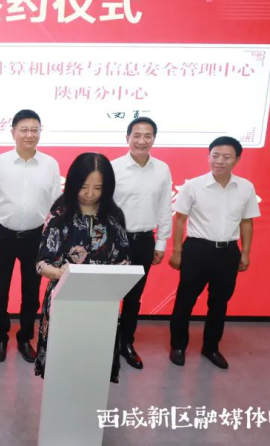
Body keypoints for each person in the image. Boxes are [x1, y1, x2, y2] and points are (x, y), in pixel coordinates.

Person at [34, 153, 131, 380]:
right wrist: (60, 273)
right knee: (62, 368)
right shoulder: (60, 215)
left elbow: (124, 259)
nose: (90, 194)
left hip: (102, 302)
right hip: (64, 299)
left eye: (97, 188)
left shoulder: (114, 217)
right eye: (84, 187)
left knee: (94, 369)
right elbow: (41, 263)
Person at [0, 109, 63, 363]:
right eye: (24, 130)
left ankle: (25, 337)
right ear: (13, 132)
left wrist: (55, 238)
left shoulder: (50, 164)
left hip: (36, 237)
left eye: (34, 130)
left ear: (40, 132)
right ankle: (0, 337)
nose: (29, 135)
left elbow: (56, 204)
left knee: (31, 291)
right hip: (3, 234)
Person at [168, 136, 260, 370]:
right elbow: (180, 220)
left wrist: (245, 253)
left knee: (219, 304)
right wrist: (177, 251)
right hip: (197, 250)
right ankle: (178, 346)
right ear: (208, 157)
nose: (220, 161)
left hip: (228, 252)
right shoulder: (193, 185)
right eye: (215, 155)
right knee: (185, 301)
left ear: (237, 159)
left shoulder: (246, 187)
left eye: (227, 157)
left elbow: (247, 222)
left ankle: (211, 347)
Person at [112, 117, 172, 370]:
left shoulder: (162, 169)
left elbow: (165, 206)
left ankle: (126, 343)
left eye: (148, 136)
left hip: (144, 241)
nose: (142, 141)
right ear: (127, 138)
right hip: (115, 242)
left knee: (133, 298)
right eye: (136, 135)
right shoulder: (113, 167)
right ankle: (105, 343)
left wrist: (161, 243)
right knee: (108, 296)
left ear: (154, 139)